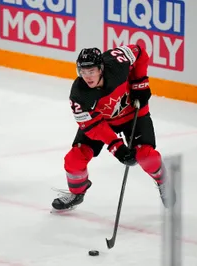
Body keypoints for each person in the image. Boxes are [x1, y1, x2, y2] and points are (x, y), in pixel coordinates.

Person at [51, 44, 175, 211]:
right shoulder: (79, 94)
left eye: (92, 71)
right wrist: (117, 147)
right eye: (83, 71)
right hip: (103, 122)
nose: (87, 76)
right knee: (74, 159)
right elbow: (92, 126)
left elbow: (139, 51)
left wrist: (140, 83)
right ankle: (77, 193)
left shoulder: (116, 64)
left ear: (101, 68)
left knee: (146, 156)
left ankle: (163, 181)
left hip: (132, 113)